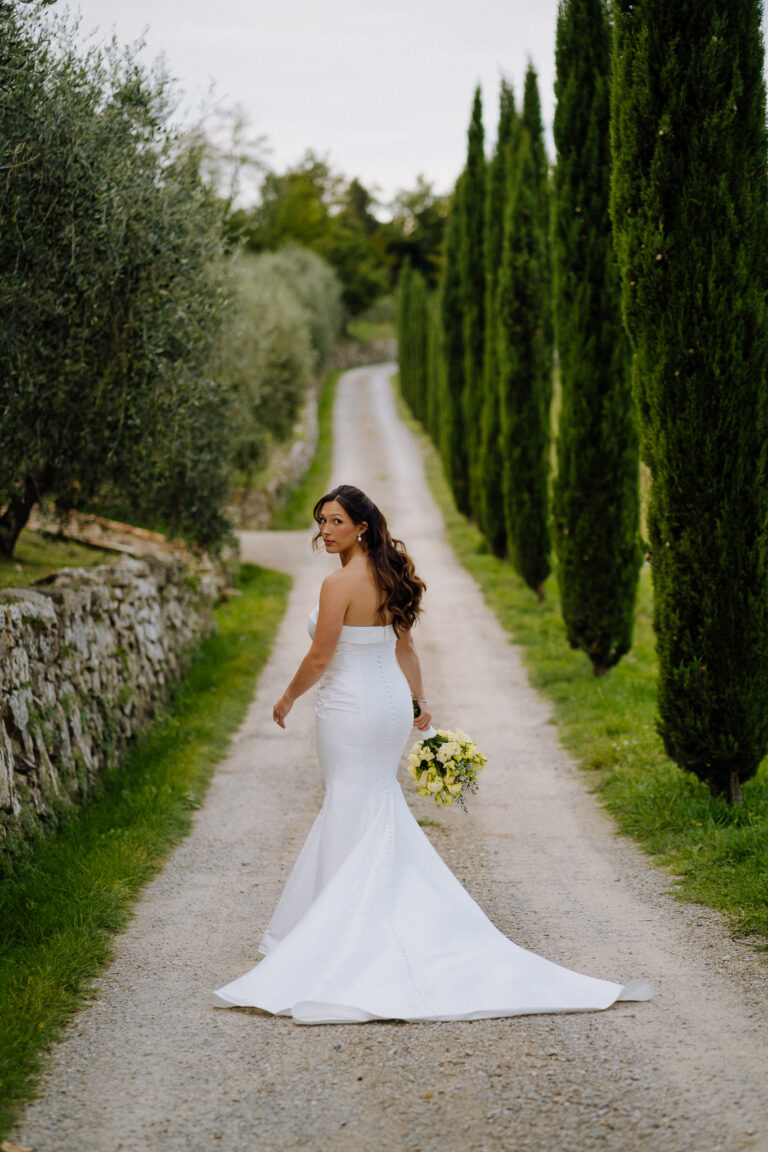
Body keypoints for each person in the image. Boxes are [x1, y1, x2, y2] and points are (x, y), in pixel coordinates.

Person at [212, 484, 652, 1024]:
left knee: (349, 799)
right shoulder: (389, 577)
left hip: (350, 709)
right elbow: (403, 648)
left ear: (362, 527)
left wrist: (285, 698)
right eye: (320, 521)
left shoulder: (338, 584)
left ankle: (342, 935)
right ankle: (352, 918)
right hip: (389, 704)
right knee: (369, 799)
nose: (324, 531)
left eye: (335, 522)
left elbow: (322, 654)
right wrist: (417, 701)